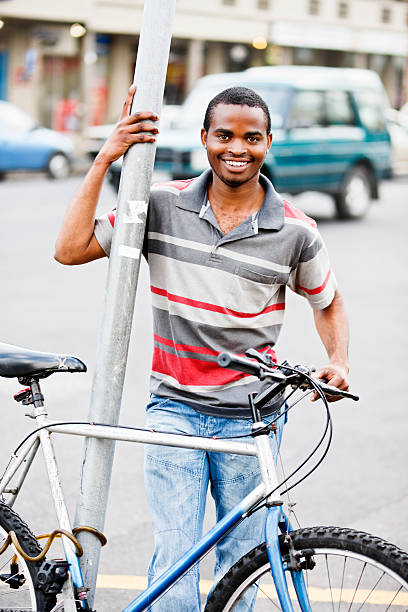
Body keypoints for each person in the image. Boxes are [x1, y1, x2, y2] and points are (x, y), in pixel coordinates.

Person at [55, 85, 350, 610]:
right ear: (204, 139)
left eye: (251, 137)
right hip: (175, 409)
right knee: (177, 556)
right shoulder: (163, 204)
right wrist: (106, 158)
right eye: (225, 135)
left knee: (244, 561)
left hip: (254, 415)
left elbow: (326, 301)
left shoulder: (297, 231)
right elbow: (70, 249)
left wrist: (338, 361)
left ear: (268, 143)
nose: (237, 148)